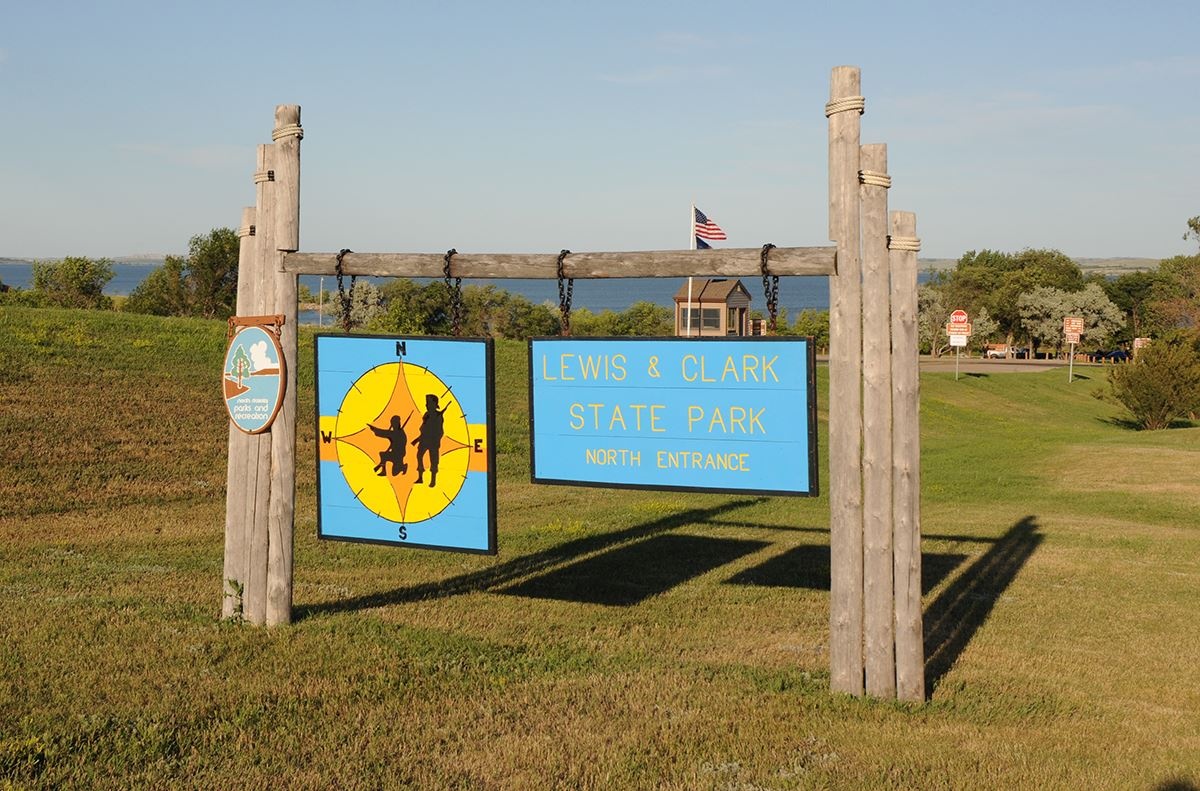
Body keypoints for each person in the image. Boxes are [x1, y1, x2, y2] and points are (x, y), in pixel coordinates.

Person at [412, 394, 447, 487]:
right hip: (424, 440)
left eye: (429, 403)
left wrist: (434, 439)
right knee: (419, 456)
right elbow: (424, 428)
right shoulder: (426, 415)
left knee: (433, 460)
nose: (426, 405)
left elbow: (440, 431)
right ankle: (420, 476)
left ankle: (433, 480)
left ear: (434, 404)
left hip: (433, 442)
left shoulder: (438, 416)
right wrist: (419, 438)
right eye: (426, 403)